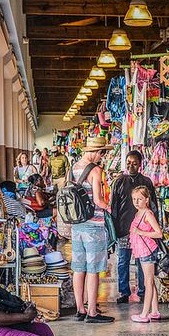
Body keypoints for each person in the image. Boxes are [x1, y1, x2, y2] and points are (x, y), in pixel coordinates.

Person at [71, 137, 115, 324]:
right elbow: (97, 200)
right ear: (95, 151)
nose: (102, 157)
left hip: (76, 224)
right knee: (94, 269)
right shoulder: (95, 170)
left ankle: (80, 309)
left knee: (78, 268)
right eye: (102, 153)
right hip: (93, 225)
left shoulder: (73, 167)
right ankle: (92, 312)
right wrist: (109, 207)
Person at [111, 150, 158, 304]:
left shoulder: (146, 181)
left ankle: (143, 291)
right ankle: (124, 292)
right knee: (123, 260)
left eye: (135, 163)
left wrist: (153, 226)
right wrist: (114, 230)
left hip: (143, 230)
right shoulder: (119, 181)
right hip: (124, 229)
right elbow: (114, 207)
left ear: (140, 164)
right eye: (129, 163)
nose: (131, 166)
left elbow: (154, 206)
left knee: (141, 261)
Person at [129, 186, 163, 323]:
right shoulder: (138, 213)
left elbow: (159, 233)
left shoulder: (147, 214)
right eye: (134, 199)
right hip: (141, 251)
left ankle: (144, 314)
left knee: (148, 282)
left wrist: (141, 232)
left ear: (147, 200)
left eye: (140, 199)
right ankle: (154, 311)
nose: (136, 202)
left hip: (147, 251)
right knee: (150, 281)